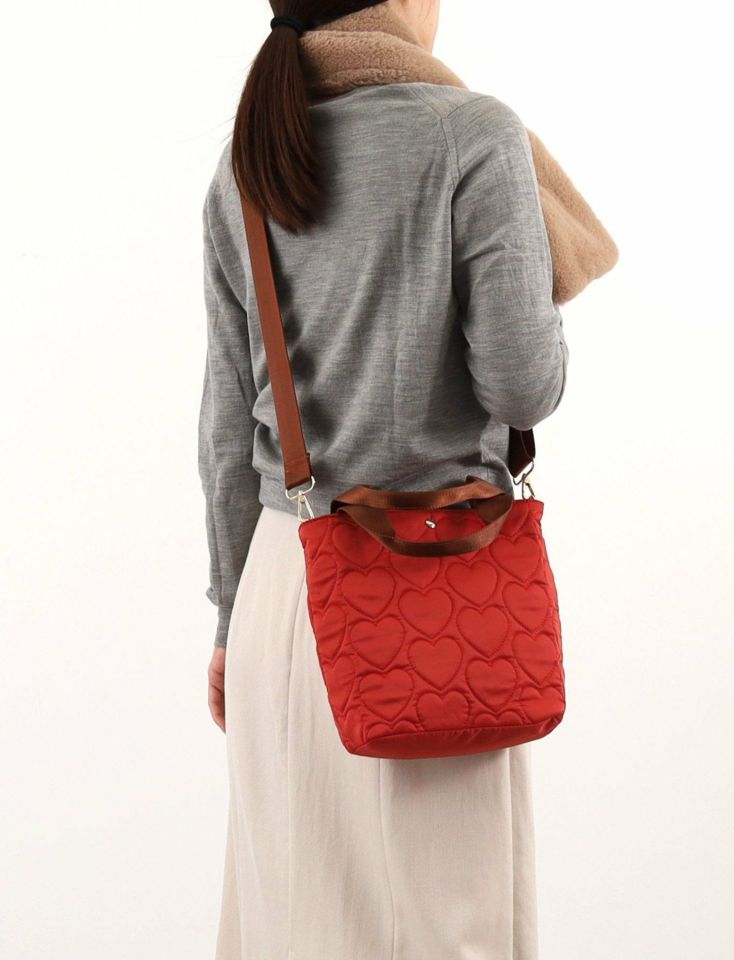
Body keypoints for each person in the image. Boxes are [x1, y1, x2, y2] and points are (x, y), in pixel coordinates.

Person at [199, 1, 570, 957]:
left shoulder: (246, 164)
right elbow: (524, 385)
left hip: (284, 586)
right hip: (433, 584)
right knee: (445, 928)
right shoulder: (472, 133)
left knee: (293, 923)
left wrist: (230, 622)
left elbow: (224, 430)